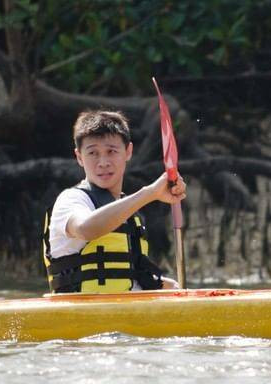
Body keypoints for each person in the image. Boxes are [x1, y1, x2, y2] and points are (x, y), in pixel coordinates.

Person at [42, 109, 187, 293]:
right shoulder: (71, 200)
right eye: (93, 153)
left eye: (111, 151)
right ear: (79, 157)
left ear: (128, 151)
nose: (103, 162)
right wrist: (150, 193)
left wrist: (166, 286)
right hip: (81, 315)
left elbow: (129, 276)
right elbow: (86, 229)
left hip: (121, 314)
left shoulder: (127, 211)